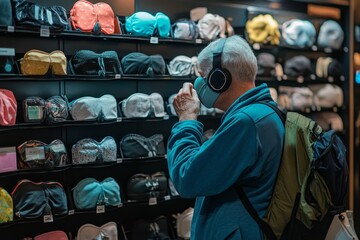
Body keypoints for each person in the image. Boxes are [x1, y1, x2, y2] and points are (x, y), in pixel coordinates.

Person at [167, 35, 285, 239]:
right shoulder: (265, 113)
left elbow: (186, 179)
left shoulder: (246, 122)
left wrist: (186, 119)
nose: (199, 84)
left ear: (219, 78)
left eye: (204, 77)